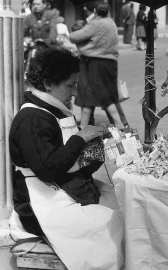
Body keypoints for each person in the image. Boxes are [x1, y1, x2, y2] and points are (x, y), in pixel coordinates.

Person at [9, 47, 124, 269]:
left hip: (69, 191)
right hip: (38, 207)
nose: (74, 92)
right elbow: (48, 169)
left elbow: (78, 166)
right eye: (69, 85)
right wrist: (80, 138)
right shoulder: (31, 119)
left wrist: (101, 142)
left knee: (123, 207)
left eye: (75, 84)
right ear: (48, 83)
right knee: (107, 224)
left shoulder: (57, 110)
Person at [69, 1, 124, 129]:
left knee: (99, 95)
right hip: (111, 64)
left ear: (95, 12)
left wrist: (83, 46)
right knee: (103, 94)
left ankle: (118, 124)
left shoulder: (95, 24)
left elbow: (74, 37)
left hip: (96, 63)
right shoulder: (112, 22)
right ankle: (85, 126)